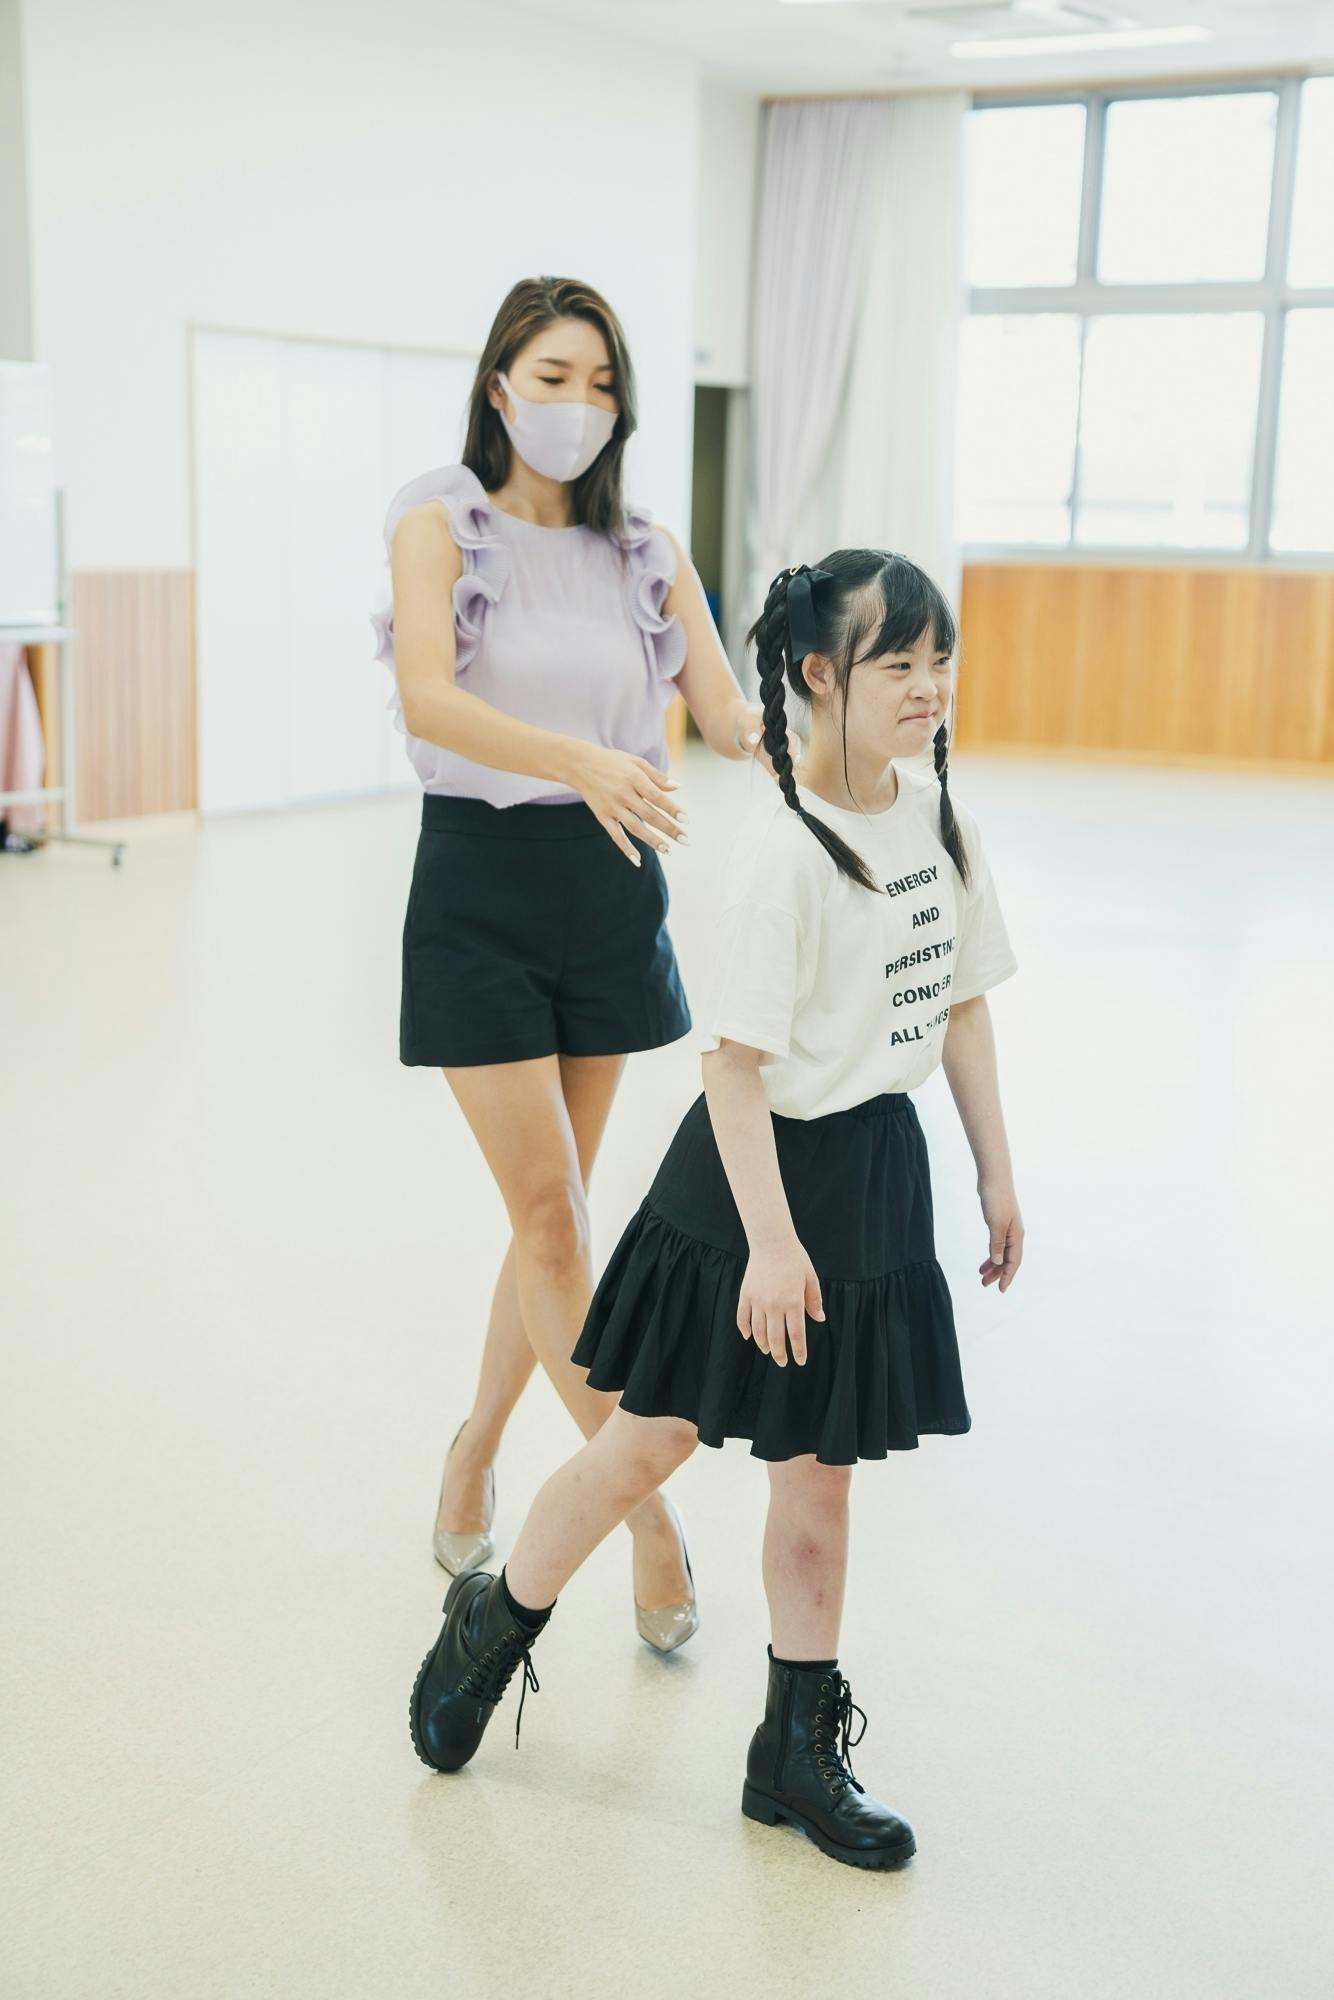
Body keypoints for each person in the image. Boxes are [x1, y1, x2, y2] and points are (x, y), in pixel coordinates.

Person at [405, 548, 1025, 1871]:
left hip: (870, 1175)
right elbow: (732, 1070)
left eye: (941, 660)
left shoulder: (940, 821)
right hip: (749, 1185)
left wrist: (995, 1171)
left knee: (819, 1479)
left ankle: (792, 1754)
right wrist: (773, 1245)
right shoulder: (782, 856)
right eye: (899, 663)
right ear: (818, 677)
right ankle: (494, 1620)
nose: (929, 686)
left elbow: (965, 1004)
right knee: (648, 1443)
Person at [372, 275, 800, 1653]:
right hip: (479, 883)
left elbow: (725, 713)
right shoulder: (440, 523)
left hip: (611, 889)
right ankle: (642, 1521)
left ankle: (473, 1448)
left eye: (601, 382)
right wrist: (583, 760)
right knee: (555, 1219)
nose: (577, 404)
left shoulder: (646, 551)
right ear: (499, 385)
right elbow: (429, 696)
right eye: (552, 377)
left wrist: (826, 721)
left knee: (547, 1223)